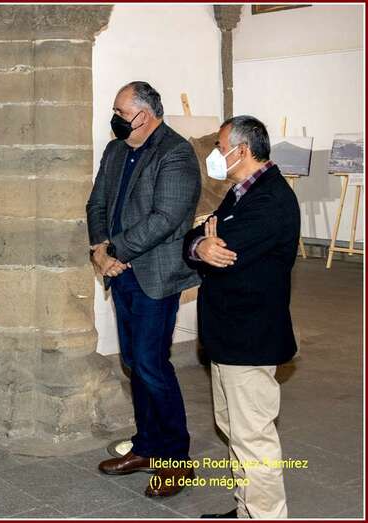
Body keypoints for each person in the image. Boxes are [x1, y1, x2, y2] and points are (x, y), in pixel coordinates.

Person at [86, 81, 201, 497]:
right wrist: (100, 250)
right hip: (120, 271)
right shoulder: (117, 150)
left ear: (145, 114)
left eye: (120, 110)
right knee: (135, 360)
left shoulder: (176, 153)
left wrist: (116, 248)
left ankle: (175, 459)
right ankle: (148, 445)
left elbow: (167, 217)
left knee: (152, 363)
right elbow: (96, 203)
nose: (114, 118)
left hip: (156, 275)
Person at [184, 116, 299, 518]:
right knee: (233, 429)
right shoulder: (240, 191)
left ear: (242, 150)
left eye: (220, 146)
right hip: (229, 335)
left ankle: (265, 515)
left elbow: (226, 249)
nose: (215, 154)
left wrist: (208, 242)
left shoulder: (271, 200)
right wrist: (201, 245)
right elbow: (196, 239)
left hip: (250, 337)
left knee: (253, 439)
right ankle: (246, 508)